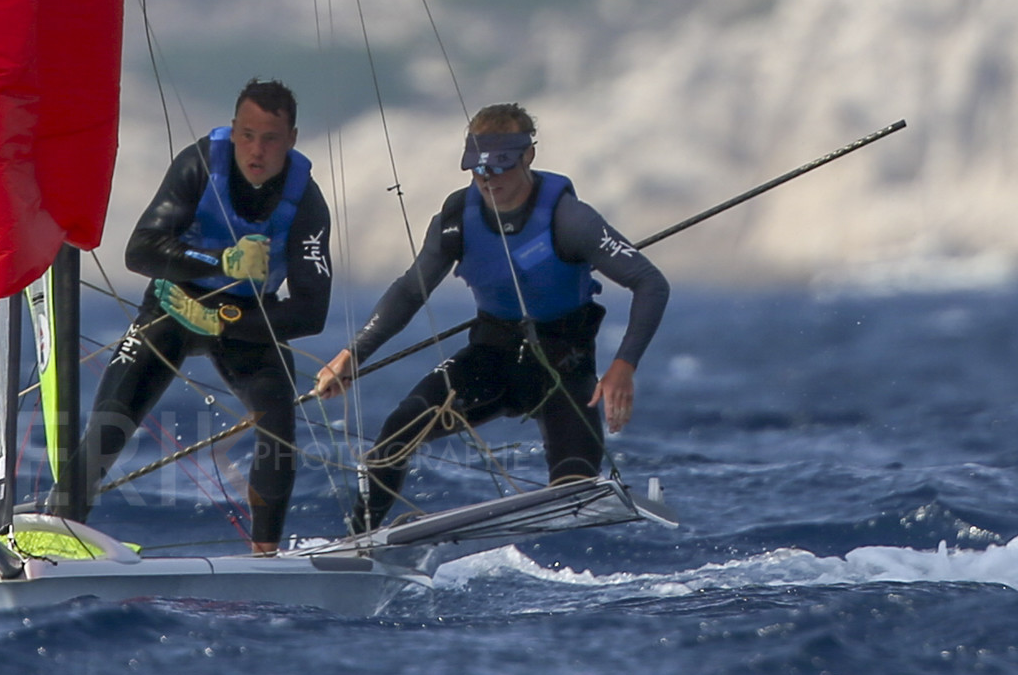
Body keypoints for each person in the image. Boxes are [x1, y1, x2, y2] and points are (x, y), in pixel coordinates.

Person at [314, 102, 668, 532]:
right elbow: (410, 291)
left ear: (528, 156)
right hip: (489, 359)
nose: (487, 180)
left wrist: (623, 367)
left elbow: (650, 283)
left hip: (563, 366)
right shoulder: (455, 221)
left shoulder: (570, 219)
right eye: (477, 169)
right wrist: (354, 354)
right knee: (393, 437)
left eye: (500, 168)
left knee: (575, 492)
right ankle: (360, 540)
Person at [61, 78, 333, 554]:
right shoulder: (199, 165)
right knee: (107, 426)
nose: (257, 150)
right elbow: (140, 250)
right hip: (173, 304)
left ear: (291, 140)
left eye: (270, 139)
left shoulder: (306, 204)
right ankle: (56, 538)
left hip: (247, 320)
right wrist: (222, 261)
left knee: (279, 426)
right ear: (233, 129)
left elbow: (312, 312)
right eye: (247, 135)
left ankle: (266, 555)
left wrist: (225, 324)